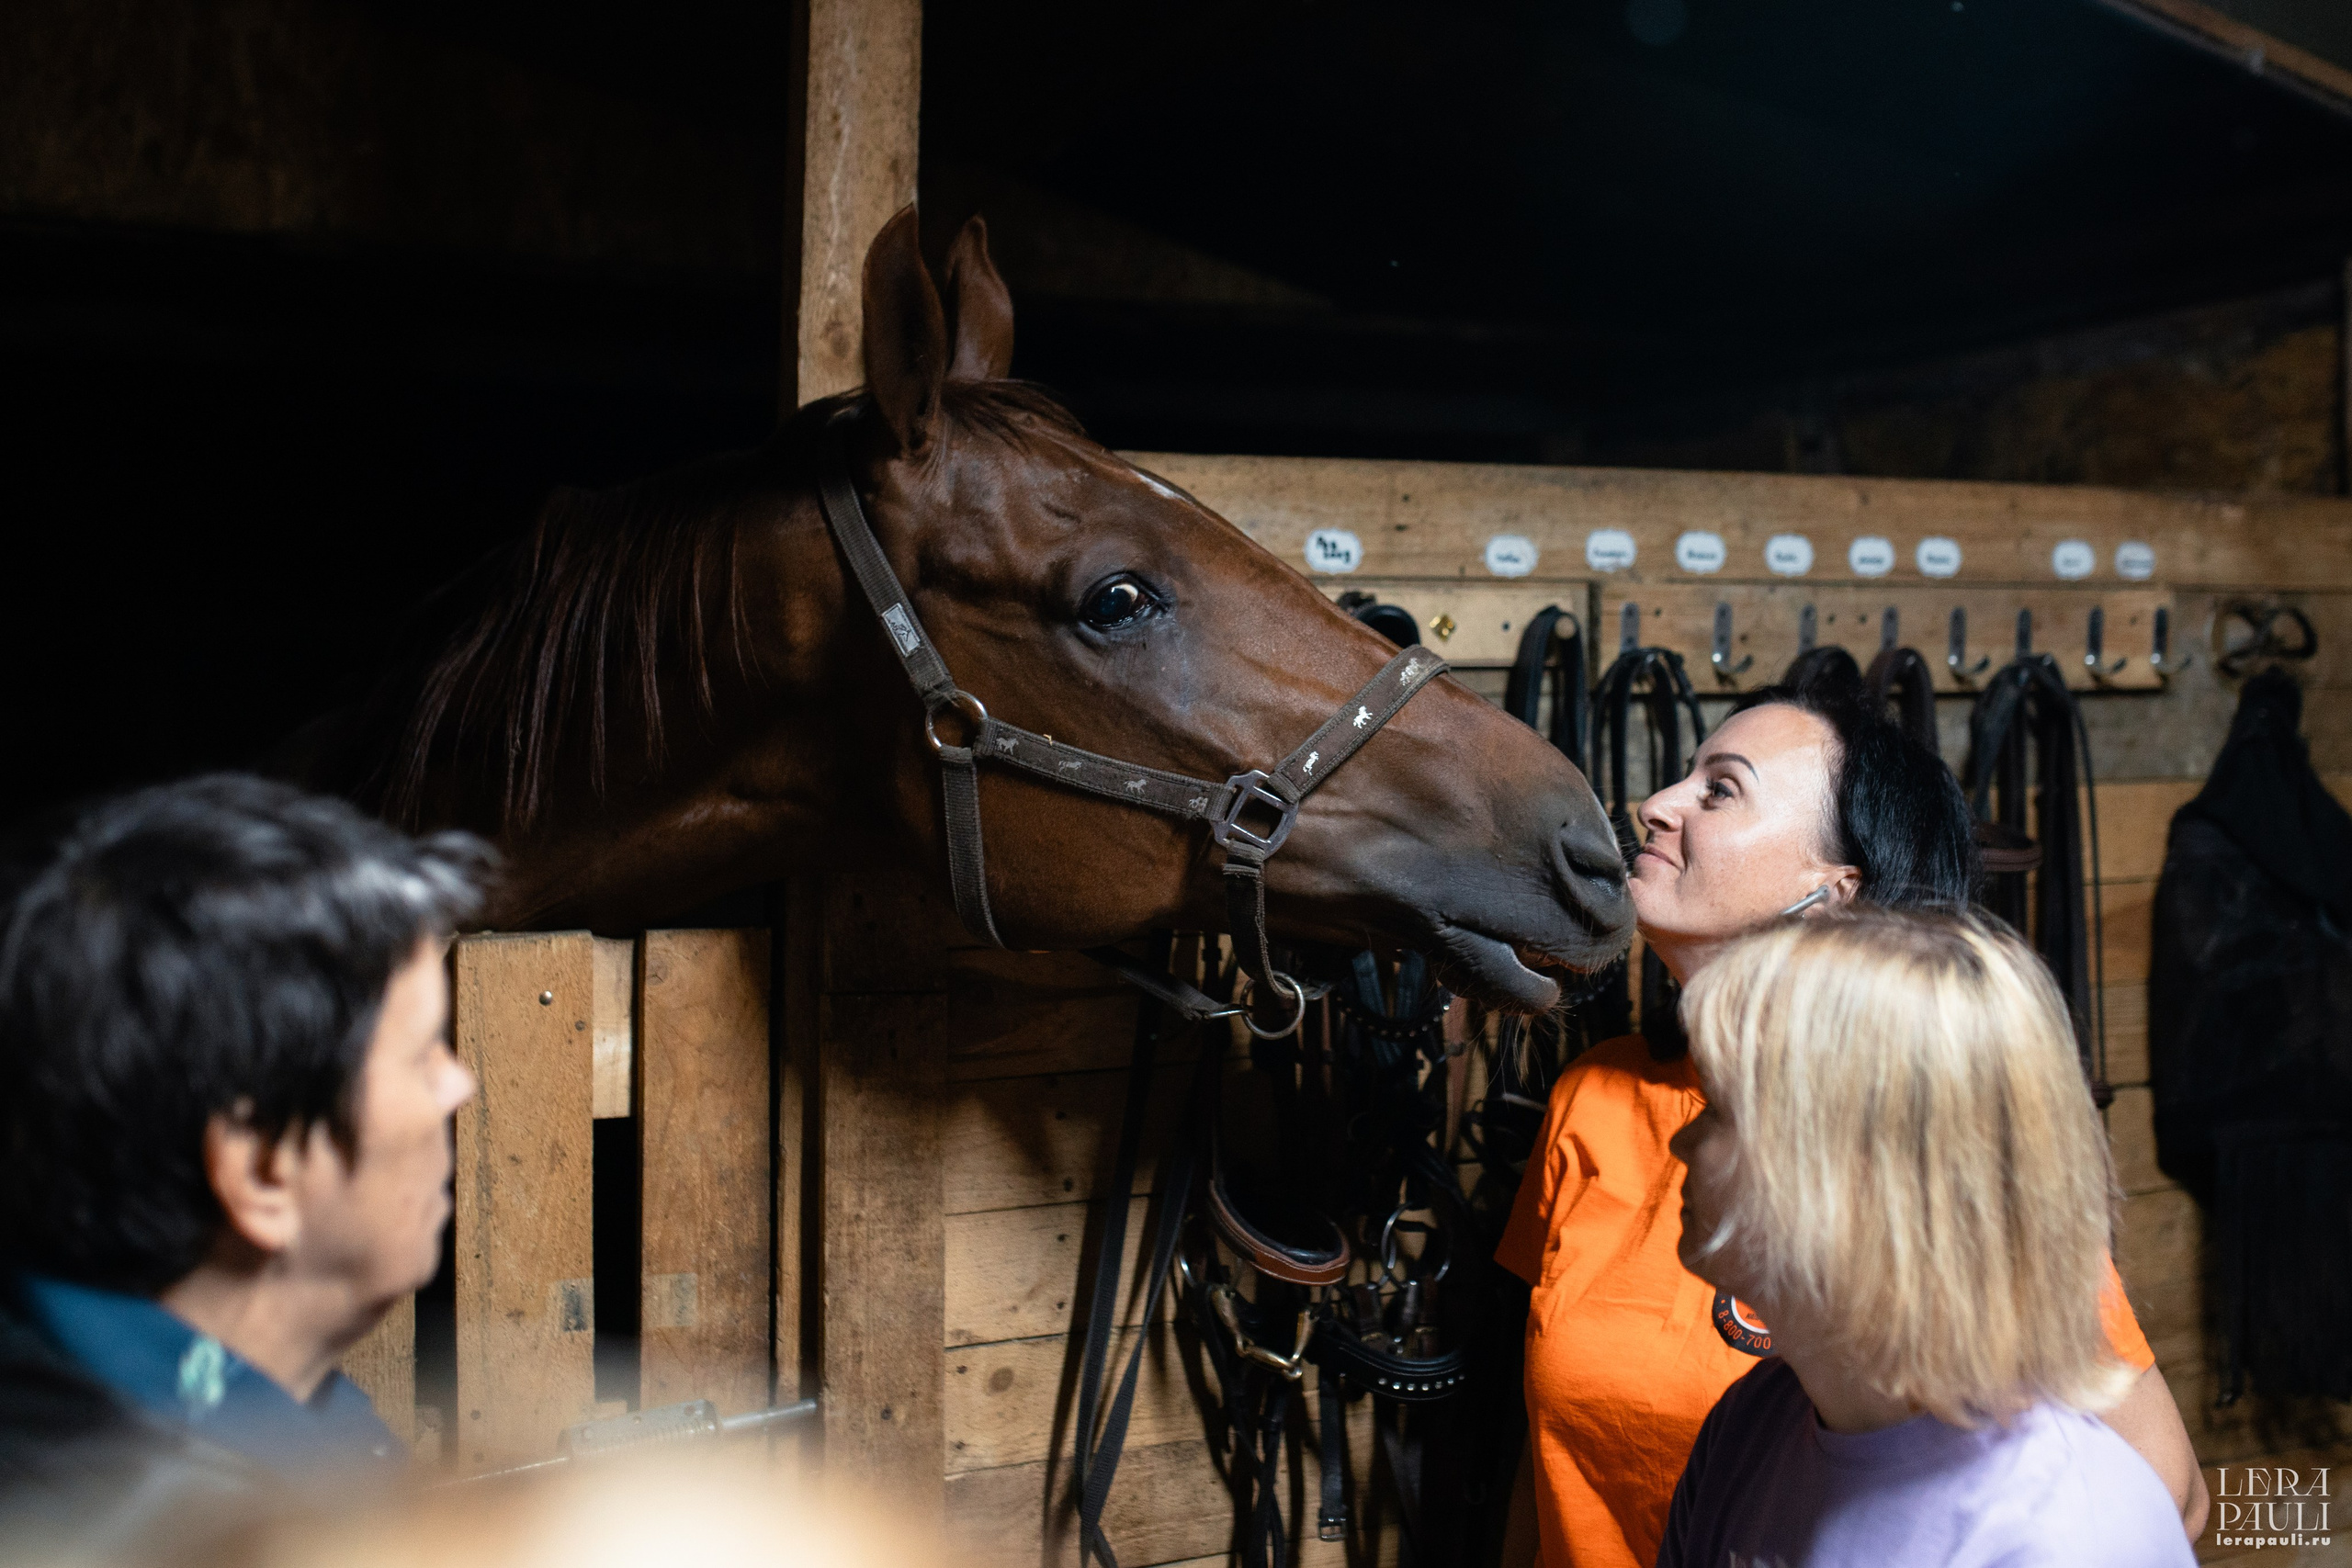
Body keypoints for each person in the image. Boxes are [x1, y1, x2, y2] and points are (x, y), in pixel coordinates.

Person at [1495, 680, 2207, 1568]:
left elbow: (2164, 1493)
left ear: (1835, 890)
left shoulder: (1925, 1146)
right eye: (1686, 776)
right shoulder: (1594, 1096)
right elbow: (1541, 1456)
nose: (1657, 804)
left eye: (1721, 789)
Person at [0, 776, 490, 1551]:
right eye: (422, 1052)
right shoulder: (199, 1540)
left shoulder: (211, 1425)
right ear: (263, 1171)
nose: (460, 1085)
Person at [1657, 908, 2195, 1566]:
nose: (1681, 1141)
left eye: (1717, 1107)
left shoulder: (2070, 1537)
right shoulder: (1751, 1422)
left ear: (1855, 1174)